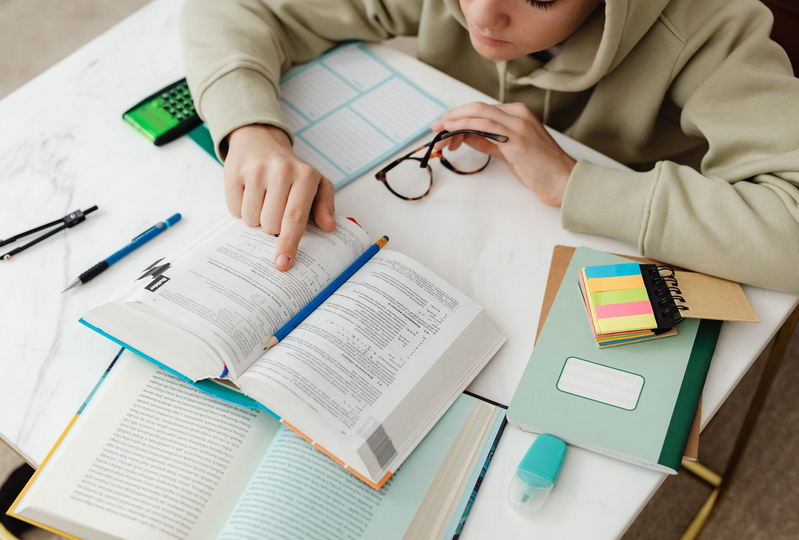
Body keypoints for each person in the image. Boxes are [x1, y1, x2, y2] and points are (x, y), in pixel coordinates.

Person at [180, 0, 799, 293]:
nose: (482, 16)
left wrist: (574, 182)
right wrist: (250, 129)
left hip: (628, 266)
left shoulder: (714, 25)